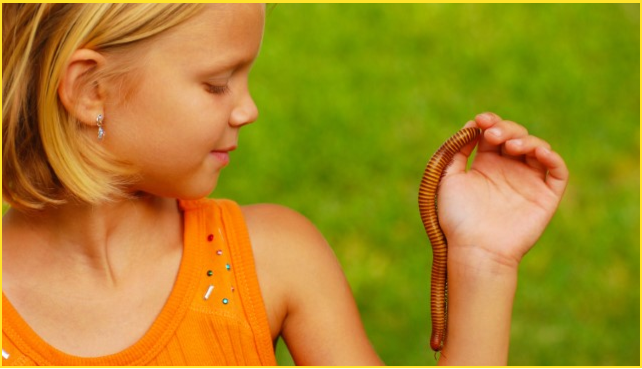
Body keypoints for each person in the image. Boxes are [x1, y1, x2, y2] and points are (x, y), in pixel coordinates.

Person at [2, 3, 569, 366]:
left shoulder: (273, 259)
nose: (248, 109)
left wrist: (482, 262)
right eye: (217, 83)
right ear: (89, 91)